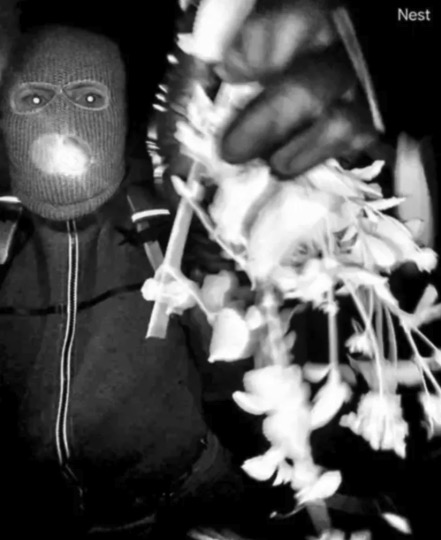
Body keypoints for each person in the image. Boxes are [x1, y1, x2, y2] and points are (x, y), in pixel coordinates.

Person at [0, 0, 431, 538]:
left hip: (193, 493)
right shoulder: (5, 238)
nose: (61, 123)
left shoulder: (163, 220)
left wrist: (397, 43)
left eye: (89, 98)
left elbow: (241, 316)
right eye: (34, 99)